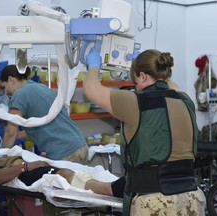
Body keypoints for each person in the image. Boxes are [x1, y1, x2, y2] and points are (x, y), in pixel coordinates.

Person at [83, 48, 206, 215]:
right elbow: (167, 84)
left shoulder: (134, 101)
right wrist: (150, 70)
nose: (137, 87)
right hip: (191, 198)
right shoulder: (185, 100)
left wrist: (93, 65)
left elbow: (90, 88)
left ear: (143, 76)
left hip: (156, 202)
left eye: (136, 81)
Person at [0, 65, 88, 164]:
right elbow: (43, 125)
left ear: (11, 80)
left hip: (65, 153)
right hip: (80, 147)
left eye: (4, 87)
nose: (5, 92)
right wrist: (17, 136)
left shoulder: (19, 95)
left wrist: (1, 157)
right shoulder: (40, 87)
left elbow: (10, 133)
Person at [0, 155, 125, 198]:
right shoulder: (4, 171)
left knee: (74, 173)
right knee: (65, 175)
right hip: (40, 177)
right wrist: (25, 166)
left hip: (48, 169)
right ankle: (109, 188)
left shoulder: (24, 162)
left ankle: (113, 185)